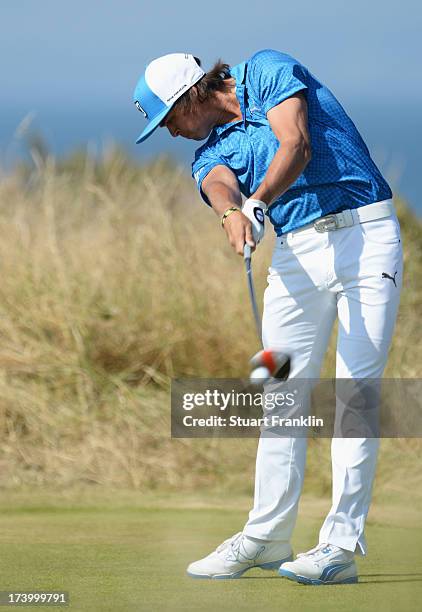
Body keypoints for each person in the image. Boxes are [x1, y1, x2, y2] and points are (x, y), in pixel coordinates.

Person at [132, 50, 402, 584]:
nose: (168, 132)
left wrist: (257, 198)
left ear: (192, 98)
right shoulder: (208, 148)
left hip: (365, 241)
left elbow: (295, 143)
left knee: (354, 395)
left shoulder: (267, 69)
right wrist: (234, 211)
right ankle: (267, 535)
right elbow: (217, 183)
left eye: (168, 119)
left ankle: (338, 547)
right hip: (295, 259)